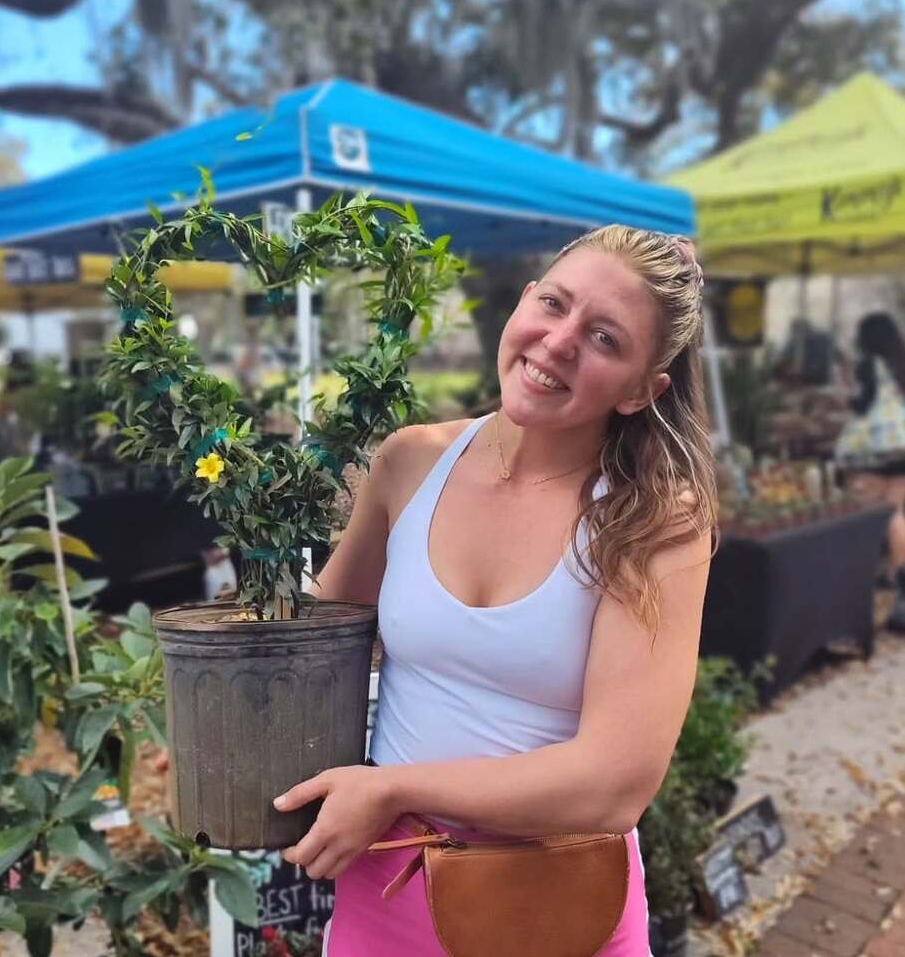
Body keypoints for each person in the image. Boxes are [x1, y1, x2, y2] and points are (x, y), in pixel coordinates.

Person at [268, 226, 717, 954]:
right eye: (553, 303)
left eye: (604, 338)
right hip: (385, 882)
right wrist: (220, 712)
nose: (559, 341)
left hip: (555, 904)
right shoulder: (411, 462)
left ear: (643, 390)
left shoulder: (651, 520)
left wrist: (396, 789)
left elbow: (615, 783)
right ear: (520, 304)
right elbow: (320, 646)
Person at [835, 312, 905, 586]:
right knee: (896, 512)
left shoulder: (868, 364)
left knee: (861, 515)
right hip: (904, 450)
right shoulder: (903, 365)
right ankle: (897, 573)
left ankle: (859, 577)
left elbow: (863, 405)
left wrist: (844, 393)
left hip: (871, 454)